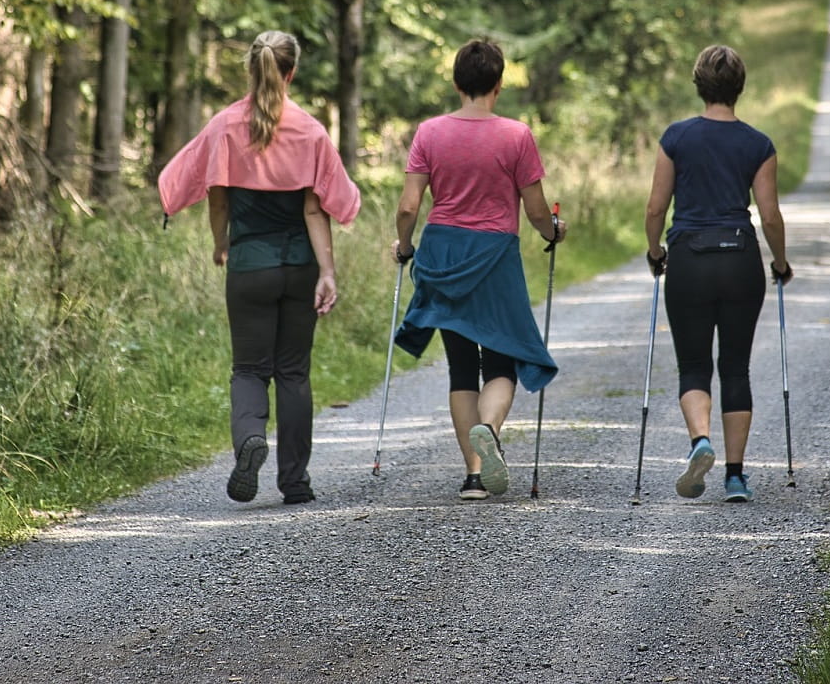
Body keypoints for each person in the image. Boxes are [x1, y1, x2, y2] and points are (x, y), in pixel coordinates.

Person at [158, 30, 361, 505]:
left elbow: (215, 196)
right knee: (294, 372)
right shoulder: (310, 131)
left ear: (251, 69)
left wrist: (220, 244)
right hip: (300, 266)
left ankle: (250, 439)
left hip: (249, 264)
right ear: (291, 72)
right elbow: (319, 209)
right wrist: (327, 272)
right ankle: (296, 482)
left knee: (249, 370)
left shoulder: (225, 126)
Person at [390, 39, 567, 501]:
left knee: (461, 367)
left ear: (456, 83)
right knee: (502, 359)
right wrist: (553, 231)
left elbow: (409, 207)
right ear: (499, 84)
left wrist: (405, 246)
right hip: (495, 255)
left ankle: (473, 475)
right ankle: (488, 429)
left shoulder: (429, 133)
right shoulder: (516, 136)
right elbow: (534, 210)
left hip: (443, 253)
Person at [644, 44, 792, 504]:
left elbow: (655, 208)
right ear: (740, 87)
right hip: (739, 259)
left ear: (698, 85)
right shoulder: (758, 144)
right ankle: (735, 476)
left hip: (688, 258)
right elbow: (769, 216)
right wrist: (781, 263)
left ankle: (700, 442)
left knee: (693, 365)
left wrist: (655, 251)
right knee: (735, 366)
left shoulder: (676, 138)